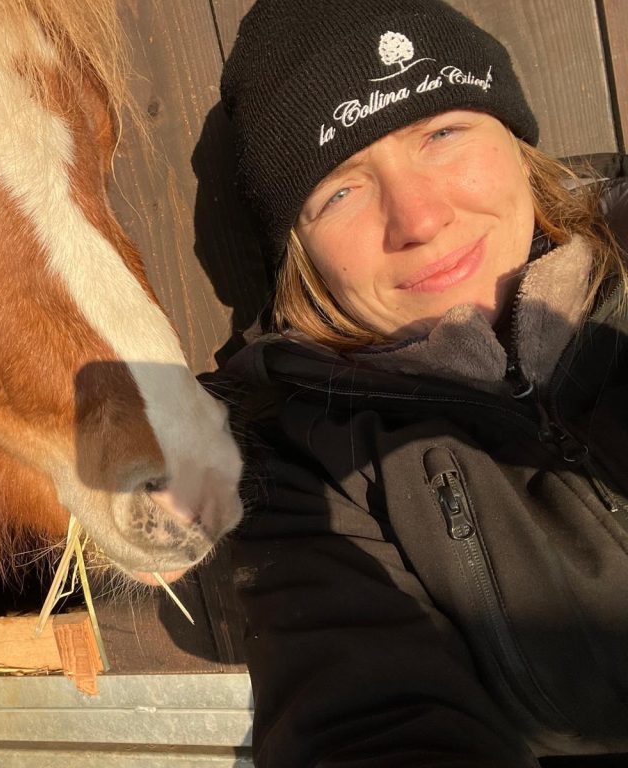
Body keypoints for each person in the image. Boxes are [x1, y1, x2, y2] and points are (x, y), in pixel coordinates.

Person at [218, 0, 628, 765]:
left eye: (440, 133)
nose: (419, 218)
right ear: (300, 253)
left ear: (514, 138)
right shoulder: (308, 468)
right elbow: (367, 725)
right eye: (340, 190)